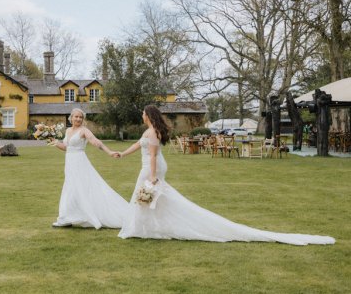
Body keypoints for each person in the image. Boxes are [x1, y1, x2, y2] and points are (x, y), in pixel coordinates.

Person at [117, 105, 335, 245]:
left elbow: (153, 155)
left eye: (143, 113)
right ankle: (146, 226)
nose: (142, 115)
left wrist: (153, 176)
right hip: (150, 166)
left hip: (151, 168)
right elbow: (138, 146)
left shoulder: (152, 131)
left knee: (145, 195)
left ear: (148, 115)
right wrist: (120, 154)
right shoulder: (150, 131)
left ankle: (142, 227)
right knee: (152, 198)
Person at [51, 108, 129, 229]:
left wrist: (109, 152)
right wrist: (53, 142)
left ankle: (72, 217)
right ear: (70, 118)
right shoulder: (67, 131)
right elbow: (66, 147)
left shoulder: (84, 131)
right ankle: (67, 217)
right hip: (70, 162)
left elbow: (95, 141)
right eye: (76, 117)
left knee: (83, 187)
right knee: (70, 187)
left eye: (80, 117)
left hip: (80, 161)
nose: (78, 119)